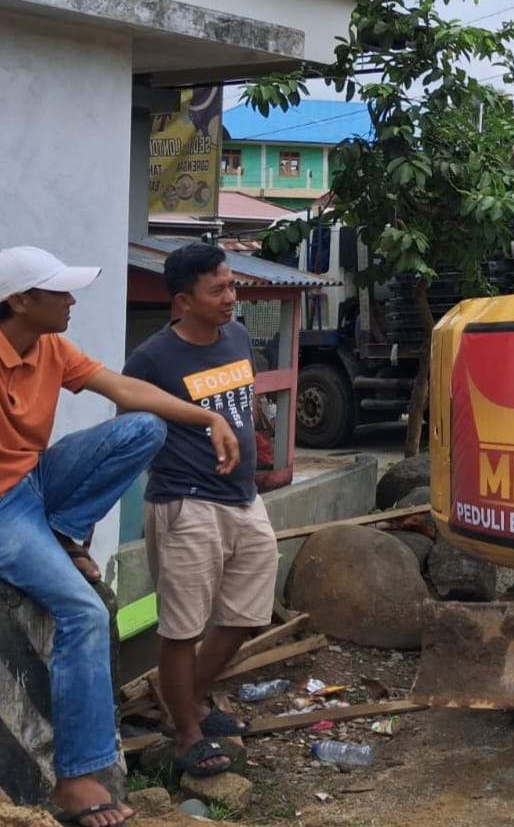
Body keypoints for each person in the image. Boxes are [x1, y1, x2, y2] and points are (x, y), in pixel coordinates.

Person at [0, 246, 238, 827]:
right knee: (82, 612)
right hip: (4, 510)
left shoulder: (51, 346)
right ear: (20, 301)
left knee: (142, 429)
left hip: (35, 486)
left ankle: (63, 530)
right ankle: (77, 779)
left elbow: (124, 391)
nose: (73, 302)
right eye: (60, 293)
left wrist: (209, 417)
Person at [122, 243, 276, 779]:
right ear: (184, 301)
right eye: (219, 290)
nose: (232, 298)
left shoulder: (235, 336)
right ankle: (186, 731)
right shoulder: (152, 358)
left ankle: (186, 703)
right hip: (185, 502)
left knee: (246, 613)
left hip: (244, 498)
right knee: (182, 628)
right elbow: (129, 424)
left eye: (233, 285)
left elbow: (245, 401)